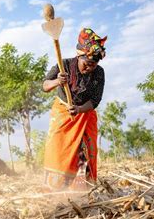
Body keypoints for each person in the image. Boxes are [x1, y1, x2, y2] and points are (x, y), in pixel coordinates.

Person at [42, 28, 107, 192]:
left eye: (93, 65)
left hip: (84, 114)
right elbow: (45, 86)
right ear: (79, 56)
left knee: (84, 151)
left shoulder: (99, 73)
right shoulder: (63, 65)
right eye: (87, 64)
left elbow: (95, 100)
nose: (89, 68)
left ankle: (82, 190)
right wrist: (57, 81)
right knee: (59, 150)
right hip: (62, 114)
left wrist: (79, 109)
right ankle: (55, 189)